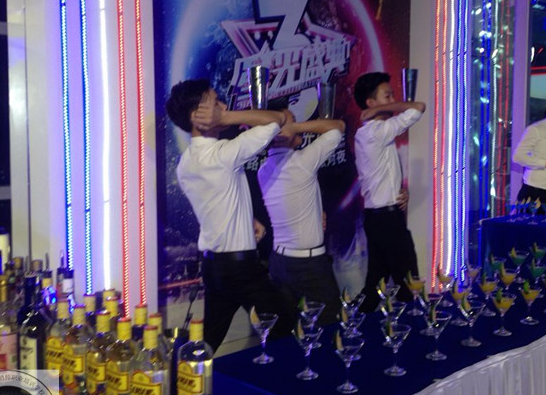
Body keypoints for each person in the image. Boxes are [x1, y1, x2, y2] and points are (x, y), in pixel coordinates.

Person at [165, 79, 292, 353]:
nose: (223, 107)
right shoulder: (223, 154)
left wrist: (246, 220)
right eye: (215, 103)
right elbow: (278, 119)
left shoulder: (186, 163)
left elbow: (215, 203)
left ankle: (180, 377)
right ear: (197, 116)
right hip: (240, 268)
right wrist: (226, 118)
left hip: (214, 267)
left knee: (208, 340)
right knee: (284, 325)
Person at [257, 109, 345, 325]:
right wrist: (294, 128)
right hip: (308, 265)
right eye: (291, 122)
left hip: (279, 261)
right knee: (330, 326)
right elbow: (338, 127)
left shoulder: (263, 170)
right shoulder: (302, 162)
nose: (297, 126)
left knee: (291, 329)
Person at [353, 72, 426, 312]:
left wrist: (399, 190)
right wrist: (382, 109)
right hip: (386, 219)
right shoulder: (375, 131)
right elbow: (418, 108)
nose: (393, 100)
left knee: (376, 283)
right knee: (408, 282)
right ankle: (415, 325)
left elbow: (381, 172)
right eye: (388, 96)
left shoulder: (373, 132)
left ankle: (357, 321)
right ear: (370, 103)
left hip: (379, 216)